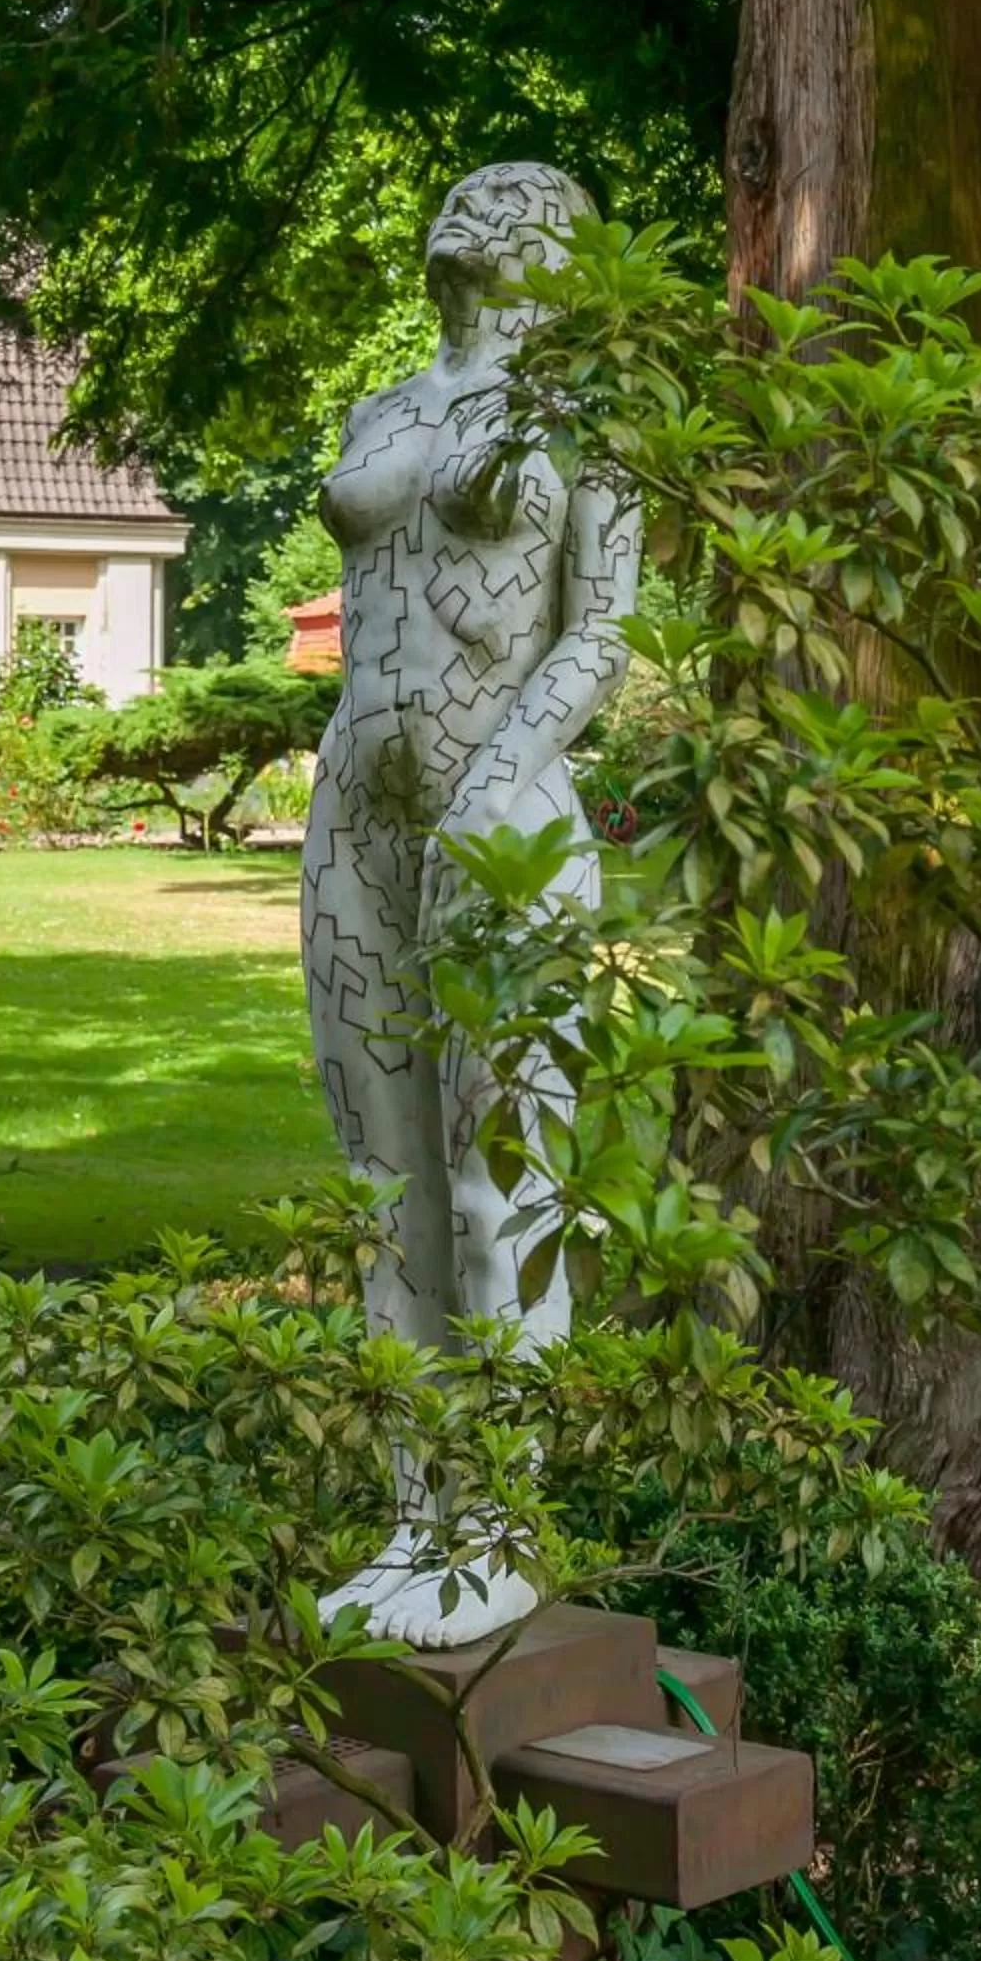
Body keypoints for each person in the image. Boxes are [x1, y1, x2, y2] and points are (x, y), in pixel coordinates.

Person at [302, 160, 640, 1644]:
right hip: (353, 819)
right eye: (475, 194)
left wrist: (498, 778)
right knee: (385, 1190)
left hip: (502, 821)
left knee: (496, 1180)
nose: (484, 209)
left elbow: (603, 636)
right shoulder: (383, 408)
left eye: (521, 200)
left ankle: (500, 1517)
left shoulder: (589, 416)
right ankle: (415, 1518)